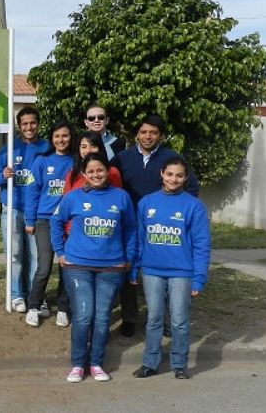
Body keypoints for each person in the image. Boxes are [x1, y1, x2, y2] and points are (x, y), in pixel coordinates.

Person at [50, 153, 137, 383]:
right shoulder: (73, 197)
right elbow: (55, 221)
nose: (96, 175)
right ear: (84, 174)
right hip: (77, 265)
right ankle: (78, 364)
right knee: (84, 315)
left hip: (112, 267)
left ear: (107, 171)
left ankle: (96, 363)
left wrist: (128, 258)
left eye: (100, 170)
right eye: (91, 171)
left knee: (101, 317)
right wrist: (60, 252)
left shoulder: (121, 197)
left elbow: (130, 229)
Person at [112, 114, 200, 337]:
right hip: (131, 224)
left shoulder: (171, 158)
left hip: (163, 226)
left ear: (161, 135)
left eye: (153, 132)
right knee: (129, 270)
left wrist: (179, 213)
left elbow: (191, 186)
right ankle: (130, 318)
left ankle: (168, 322)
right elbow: (110, 182)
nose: (148, 136)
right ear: (136, 135)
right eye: (143, 132)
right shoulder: (122, 158)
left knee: (169, 273)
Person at [130, 157, 211, 380]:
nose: (174, 179)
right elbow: (139, 238)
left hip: (181, 272)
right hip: (152, 270)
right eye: (170, 174)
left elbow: (202, 245)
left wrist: (198, 278)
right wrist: (134, 267)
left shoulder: (194, 206)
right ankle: (150, 363)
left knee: (179, 320)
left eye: (179, 175)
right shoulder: (146, 202)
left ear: (185, 178)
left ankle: (179, 364)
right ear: (162, 174)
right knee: (154, 318)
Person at [0, 107, 48, 313]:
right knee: (14, 254)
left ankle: (35, 296)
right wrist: (2, 176)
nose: (29, 127)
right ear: (19, 126)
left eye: (32, 123)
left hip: (37, 211)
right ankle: (16, 295)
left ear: (38, 124)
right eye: (24, 124)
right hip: (12, 208)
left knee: (35, 255)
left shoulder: (46, 148)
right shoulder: (8, 149)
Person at [24, 120, 74, 328]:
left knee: (66, 266)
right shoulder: (41, 161)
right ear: (52, 139)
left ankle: (63, 308)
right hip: (44, 220)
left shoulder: (77, 161)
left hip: (69, 222)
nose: (61, 140)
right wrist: (30, 220)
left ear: (71, 138)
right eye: (57, 136)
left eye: (65, 136)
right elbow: (32, 192)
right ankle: (33, 306)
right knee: (44, 266)